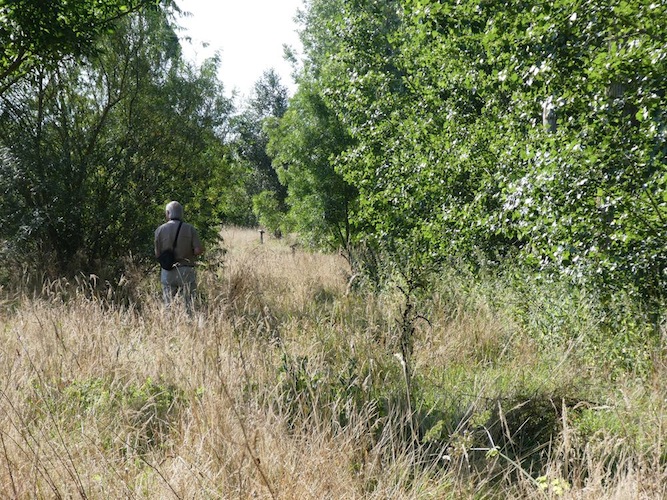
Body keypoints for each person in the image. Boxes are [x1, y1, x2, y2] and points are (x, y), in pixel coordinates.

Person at [154, 201, 204, 314]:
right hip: (186, 270)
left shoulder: (160, 230)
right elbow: (198, 250)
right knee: (188, 305)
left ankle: (170, 326)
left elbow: (157, 254)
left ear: (168, 213)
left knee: (168, 306)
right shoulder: (190, 229)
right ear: (181, 214)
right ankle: (188, 326)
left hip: (168, 271)